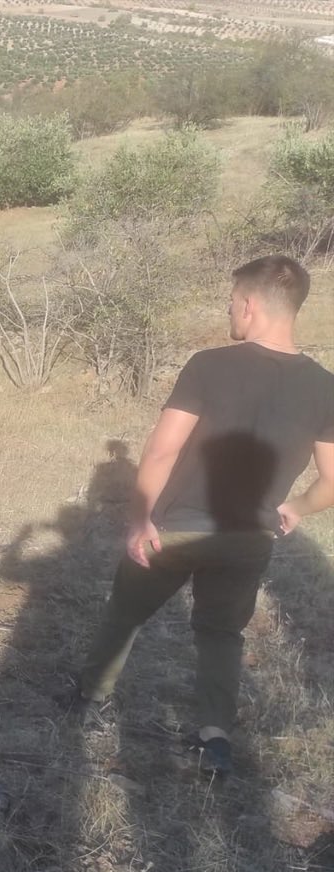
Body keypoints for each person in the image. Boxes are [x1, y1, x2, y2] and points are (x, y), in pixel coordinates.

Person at [70, 255, 334, 776]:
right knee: (220, 632)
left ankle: (87, 700)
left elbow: (162, 451)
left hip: (181, 529)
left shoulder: (209, 364)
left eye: (232, 302)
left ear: (250, 304)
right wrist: (295, 508)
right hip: (250, 539)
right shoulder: (326, 386)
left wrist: (139, 517)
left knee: (126, 611)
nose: (229, 311)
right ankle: (214, 737)